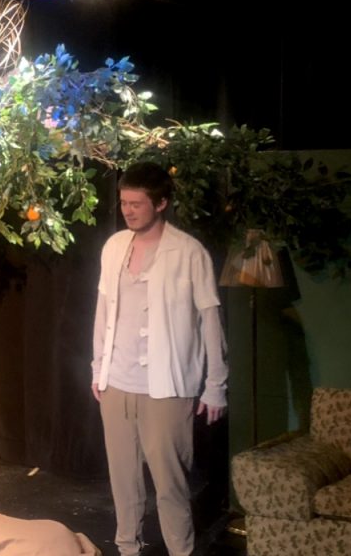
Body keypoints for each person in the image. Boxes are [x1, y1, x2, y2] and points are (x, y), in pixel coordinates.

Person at [91, 162, 227, 556]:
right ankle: (127, 548)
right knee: (123, 479)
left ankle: (180, 551)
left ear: (162, 203)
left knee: (170, 484)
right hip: (117, 384)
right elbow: (103, 311)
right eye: (123, 203)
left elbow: (210, 321)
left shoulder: (188, 253)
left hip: (167, 388)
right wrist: (98, 367)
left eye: (136, 203)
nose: (128, 210)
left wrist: (215, 386)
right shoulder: (114, 246)